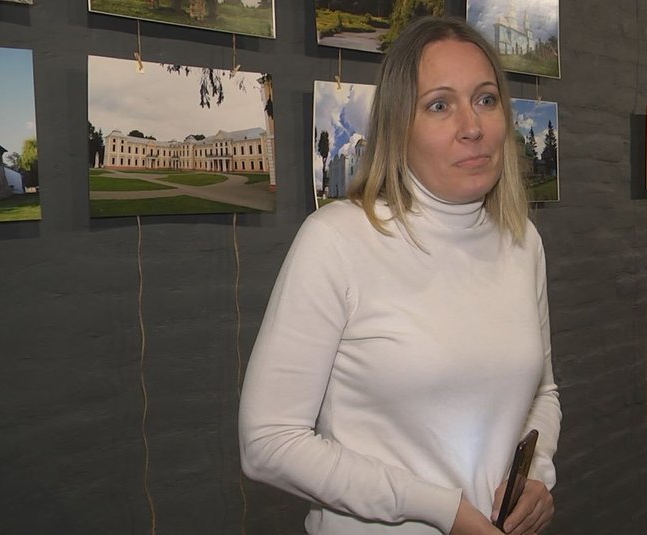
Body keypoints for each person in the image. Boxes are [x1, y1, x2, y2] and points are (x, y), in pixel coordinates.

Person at [238, 16, 561, 535]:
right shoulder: (337, 240)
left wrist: (536, 476)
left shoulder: (522, 241)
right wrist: (441, 509)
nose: (472, 126)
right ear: (397, 126)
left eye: (485, 99)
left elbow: (542, 392)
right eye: (439, 105)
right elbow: (268, 442)